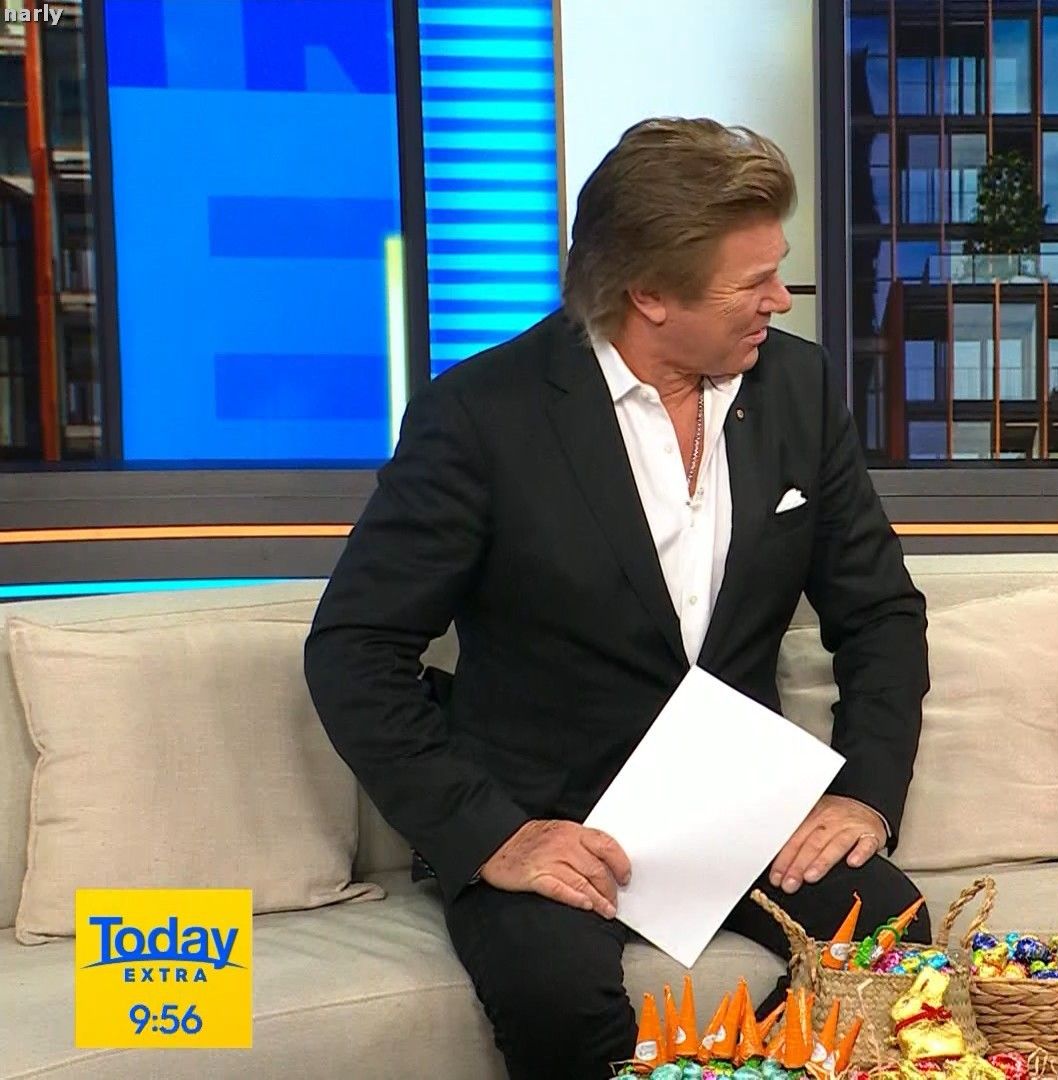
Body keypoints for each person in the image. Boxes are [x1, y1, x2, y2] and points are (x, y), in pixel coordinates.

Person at [305, 118, 933, 1080]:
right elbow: (353, 648)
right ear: (649, 294)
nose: (780, 300)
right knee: (557, 1001)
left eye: (779, 273)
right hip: (548, 815)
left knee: (891, 933)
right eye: (754, 283)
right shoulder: (481, 415)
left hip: (731, 806)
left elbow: (880, 612)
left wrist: (863, 795)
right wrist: (495, 837)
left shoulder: (798, 387)